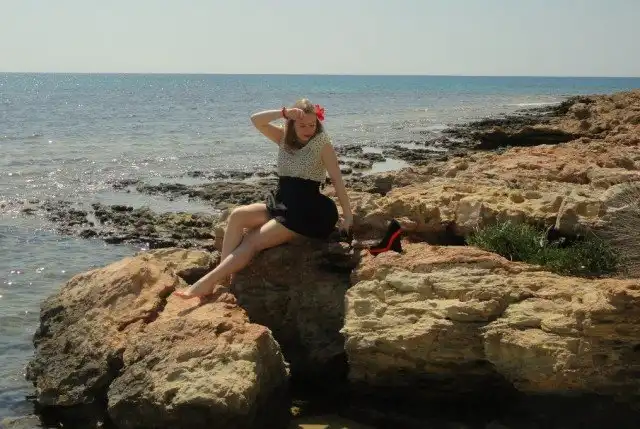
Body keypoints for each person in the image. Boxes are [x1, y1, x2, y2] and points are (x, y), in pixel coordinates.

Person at [175, 98, 353, 298]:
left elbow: (337, 179)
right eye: (303, 125)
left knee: (251, 241)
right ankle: (223, 280)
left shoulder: (322, 144)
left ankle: (206, 283)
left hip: (307, 212)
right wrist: (283, 112)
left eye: (312, 125)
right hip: (282, 202)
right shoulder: (283, 138)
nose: (308, 129)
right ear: (292, 123)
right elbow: (256, 120)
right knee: (237, 215)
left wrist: (348, 216)